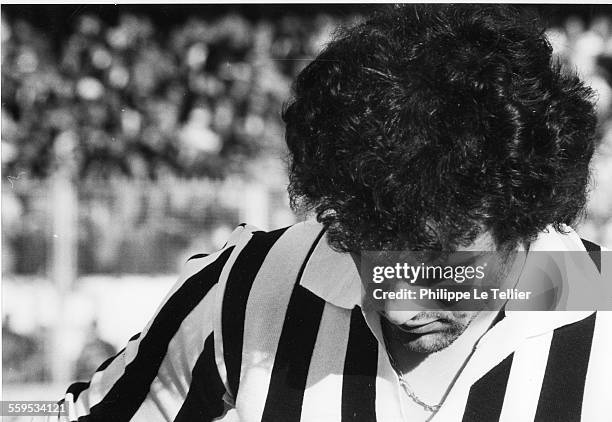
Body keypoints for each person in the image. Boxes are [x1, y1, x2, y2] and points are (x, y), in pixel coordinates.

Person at [52, 5, 611, 422]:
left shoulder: (601, 315)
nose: (397, 305)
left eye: (441, 262)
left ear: (523, 213)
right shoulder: (250, 284)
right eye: (367, 245)